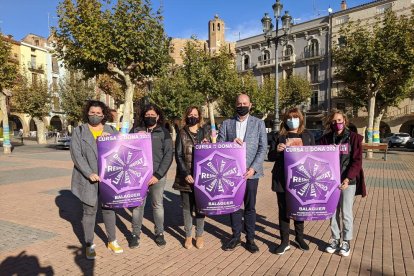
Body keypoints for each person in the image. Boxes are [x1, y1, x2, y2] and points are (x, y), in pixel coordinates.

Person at [70, 100, 123, 260]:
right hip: (88, 179)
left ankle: (112, 240)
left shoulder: (111, 130)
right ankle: (89, 244)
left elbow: (123, 147)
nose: (95, 115)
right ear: (87, 113)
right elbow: (76, 155)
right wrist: (89, 173)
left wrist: (112, 139)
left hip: (108, 178)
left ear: (103, 114)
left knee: (109, 209)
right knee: (89, 211)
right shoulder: (79, 131)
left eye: (98, 113)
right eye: (92, 112)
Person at [218, 93, 267, 253]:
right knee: (234, 206)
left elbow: (263, 148)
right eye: (239, 103)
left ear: (250, 105)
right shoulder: (226, 123)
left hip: (251, 173)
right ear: (235, 105)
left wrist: (253, 167)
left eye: (245, 103)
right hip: (232, 173)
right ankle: (235, 236)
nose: (242, 106)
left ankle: (250, 239)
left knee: (250, 207)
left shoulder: (259, 123)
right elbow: (219, 144)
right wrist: (229, 144)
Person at [267, 108, 315, 255]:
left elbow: (315, 155)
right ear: (285, 120)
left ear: (300, 119)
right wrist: (277, 151)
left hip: (301, 178)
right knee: (284, 211)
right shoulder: (279, 136)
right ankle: (285, 241)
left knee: (299, 208)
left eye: (295, 117)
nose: (292, 120)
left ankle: (299, 238)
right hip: (282, 178)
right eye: (289, 118)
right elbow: (270, 156)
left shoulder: (307, 136)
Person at [319, 109, 366, 257]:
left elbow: (357, 161)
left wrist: (348, 179)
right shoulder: (326, 139)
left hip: (348, 182)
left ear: (345, 121)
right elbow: (313, 151)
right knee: (333, 212)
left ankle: (346, 241)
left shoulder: (354, 138)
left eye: (339, 120)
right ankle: (335, 239)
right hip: (331, 182)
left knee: (346, 212)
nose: (337, 123)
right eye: (334, 121)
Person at [129, 104, 173, 248]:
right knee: (137, 206)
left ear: (158, 117)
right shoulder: (135, 130)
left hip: (157, 177)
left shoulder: (164, 132)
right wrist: (135, 137)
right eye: (147, 115)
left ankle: (159, 233)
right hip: (138, 176)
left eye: (152, 115)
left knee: (157, 205)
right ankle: (135, 234)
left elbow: (168, 155)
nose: (150, 117)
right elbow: (123, 146)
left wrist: (158, 175)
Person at [173, 106, 210, 249]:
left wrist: (208, 146)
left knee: (201, 208)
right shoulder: (181, 133)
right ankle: (188, 236)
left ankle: (199, 235)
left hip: (202, 178)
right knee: (187, 209)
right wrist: (185, 174)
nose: (192, 117)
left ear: (199, 117)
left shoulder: (204, 133)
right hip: (186, 178)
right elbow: (179, 155)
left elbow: (211, 154)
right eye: (190, 114)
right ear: (186, 116)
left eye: (195, 114)